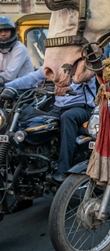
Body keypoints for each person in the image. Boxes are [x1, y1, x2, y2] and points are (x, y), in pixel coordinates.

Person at [2, 66, 96, 196]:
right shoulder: (54, 64)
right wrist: (6, 86)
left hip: (82, 107)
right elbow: (32, 78)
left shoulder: (82, 66)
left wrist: (67, 87)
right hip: (58, 107)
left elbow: (83, 78)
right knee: (38, 121)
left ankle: (63, 171)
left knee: (67, 118)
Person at [0, 16, 34, 85]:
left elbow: (9, 76)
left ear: (12, 32)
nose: (3, 34)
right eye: (0, 31)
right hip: (8, 87)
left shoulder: (19, 48)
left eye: (6, 31)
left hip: (25, 89)